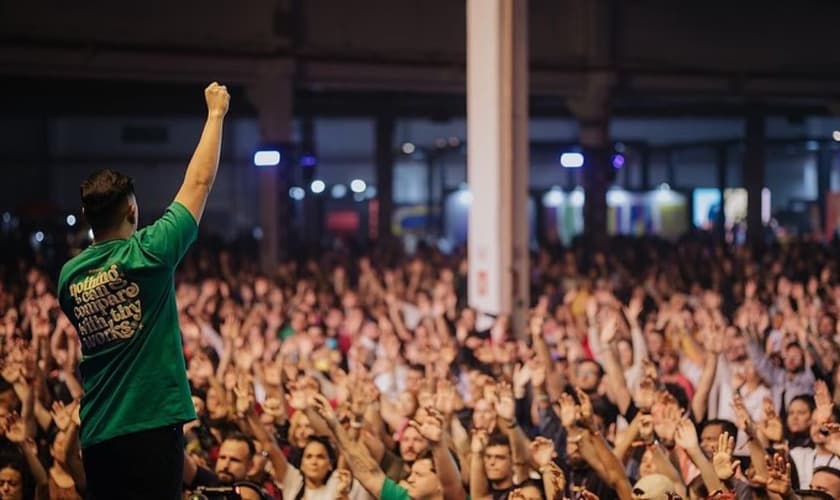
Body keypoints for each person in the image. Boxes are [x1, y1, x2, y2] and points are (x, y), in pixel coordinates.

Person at [56, 82, 230, 499]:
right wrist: (216, 115)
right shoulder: (148, 254)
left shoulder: (69, 277)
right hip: (150, 426)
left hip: (98, 431)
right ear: (132, 209)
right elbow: (199, 182)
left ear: (86, 215)